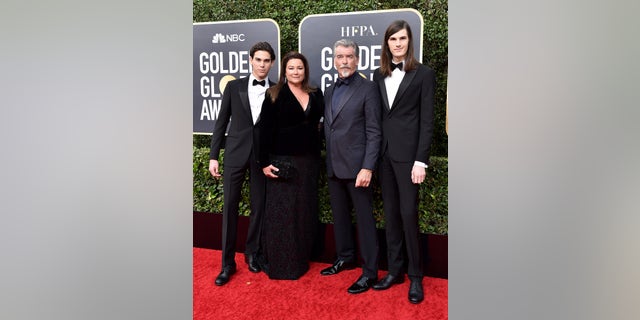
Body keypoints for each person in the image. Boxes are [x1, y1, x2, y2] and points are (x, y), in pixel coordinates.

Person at [372, 20, 436, 304]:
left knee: (409, 214)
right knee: (391, 215)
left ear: (410, 42)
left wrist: (421, 160)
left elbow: (427, 121)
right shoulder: (377, 75)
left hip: (409, 157)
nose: (397, 44)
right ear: (386, 44)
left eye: (402, 39)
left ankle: (415, 276)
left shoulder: (424, 74)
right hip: (384, 155)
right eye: (392, 39)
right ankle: (395, 271)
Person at [209, 41, 276, 286]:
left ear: (272, 63)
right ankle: (227, 264)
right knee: (230, 207)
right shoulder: (234, 87)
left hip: (261, 158)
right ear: (250, 60)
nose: (262, 65)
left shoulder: (276, 90)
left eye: (267, 60)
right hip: (236, 154)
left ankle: (252, 253)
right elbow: (221, 121)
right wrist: (213, 155)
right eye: (258, 59)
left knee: (259, 207)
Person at [320, 39, 382, 294]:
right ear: (334, 60)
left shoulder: (368, 89)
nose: (344, 61)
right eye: (339, 57)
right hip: (334, 166)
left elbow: (374, 131)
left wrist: (367, 167)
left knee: (365, 221)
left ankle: (369, 272)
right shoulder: (329, 89)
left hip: (358, 169)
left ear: (357, 59)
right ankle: (345, 257)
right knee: (341, 217)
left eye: (348, 56)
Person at [256, 51, 324, 280]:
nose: (296, 72)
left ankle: (301, 258)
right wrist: (264, 163)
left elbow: (321, 126)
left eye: (300, 68)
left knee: (303, 212)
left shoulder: (315, 94)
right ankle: (282, 264)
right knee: (283, 215)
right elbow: (263, 130)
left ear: (305, 71)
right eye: (291, 68)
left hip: (309, 163)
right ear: (284, 71)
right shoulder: (274, 94)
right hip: (282, 162)